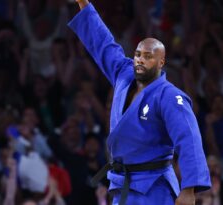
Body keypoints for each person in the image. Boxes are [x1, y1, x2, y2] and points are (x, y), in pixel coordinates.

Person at [68, 1, 211, 205]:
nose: (140, 60)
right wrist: (84, 4)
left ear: (161, 62)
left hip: (155, 188)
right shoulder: (124, 75)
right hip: (123, 186)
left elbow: (189, 139)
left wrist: (189, 190)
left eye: (148, 56)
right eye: (137, 55)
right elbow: (104, 45)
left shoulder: (169, 96)